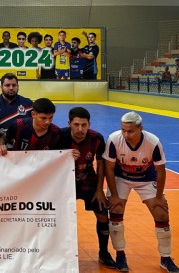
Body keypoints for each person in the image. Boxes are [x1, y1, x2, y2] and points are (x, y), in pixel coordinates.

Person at [103, 111, 179, 273]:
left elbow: (161, 171)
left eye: (130, 131)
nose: (126, 134)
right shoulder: (113, 140)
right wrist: (115, 195)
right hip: (121, 177)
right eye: (123, 130)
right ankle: (120, 255)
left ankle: (165, 258)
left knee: (161, 213)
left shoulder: (153, 142)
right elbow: (109, 169)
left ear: (141, 129)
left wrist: (159, 197)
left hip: (146, 178)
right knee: (116, 209)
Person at [59, 107, 115, 268]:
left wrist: (99, 190)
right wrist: (64, 155)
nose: (80, 129)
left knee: (103, 213)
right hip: (64, 182)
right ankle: (59, 251)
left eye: (84, 125)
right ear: (69, 123)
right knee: (56, 216)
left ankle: (103, 253)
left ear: (89, 124)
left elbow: (101, 165)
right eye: (76, 125)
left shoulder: (96, 138)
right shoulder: (59, 136)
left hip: (88, 180)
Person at [0, 73, 34, 146]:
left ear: (18, 87)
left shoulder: (28, 104)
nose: (11, 88)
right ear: (1, 87)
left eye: (14, 85)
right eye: (7, 85)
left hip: (21, 150)